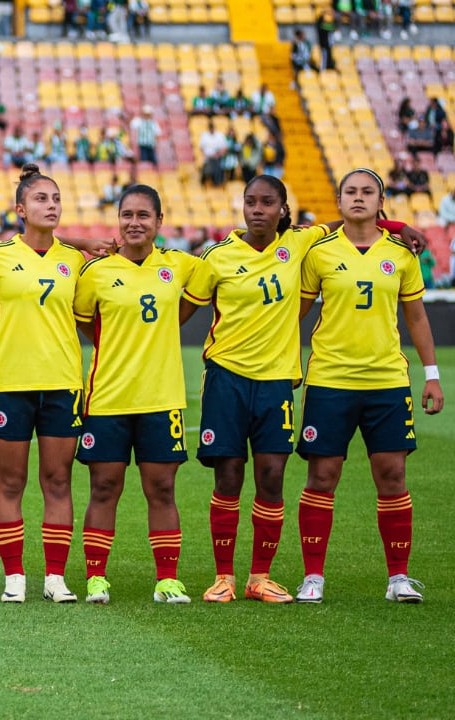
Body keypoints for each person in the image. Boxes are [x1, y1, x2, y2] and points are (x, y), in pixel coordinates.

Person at [180, 175, 341, 604]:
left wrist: (401, 229)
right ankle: (223, 578)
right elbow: (179, 310)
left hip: (275, 381)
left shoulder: (300, 244)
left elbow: (349, 220)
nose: (257, 209)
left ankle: (259, 577)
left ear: (283, 210)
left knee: (271, 475)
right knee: (228, 475)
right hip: (226, 377)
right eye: (250, 201)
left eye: (267, 202)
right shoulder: (216, 257)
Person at [294, 169, 443, 604]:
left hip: (387, 382)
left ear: (381, 201)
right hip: (329, 380)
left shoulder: (401, 252)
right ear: (338, 201)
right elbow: (297, 314)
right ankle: (313, 577)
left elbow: (416, 316)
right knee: (322, 475)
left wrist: (431, 376)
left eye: (367, 192)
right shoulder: (318, 251)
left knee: (393, 475)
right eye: (350, 192)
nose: (358, 198)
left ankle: (398, 577)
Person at [73, 184, 200, 605]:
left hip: (161, 399)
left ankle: (167, 579)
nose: (134, 223)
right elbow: (85, 322)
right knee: (104, 488)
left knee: (161, 489)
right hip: (108, 398)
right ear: (118, 220)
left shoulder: (180, 266)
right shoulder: (96, 273)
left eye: (143, 215)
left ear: (159, 222)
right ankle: (95, 579)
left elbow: (204, 294)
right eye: (127, 215)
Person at [0, 165, 89, 604]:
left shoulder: (74, 260)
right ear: (20, 209)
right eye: (41, 199)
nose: (51, 206)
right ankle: (14, 576)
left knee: (58, 480)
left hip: (61, 382)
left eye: (56, 199)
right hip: (10, 383)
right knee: (11, 481)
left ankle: (55, 577)